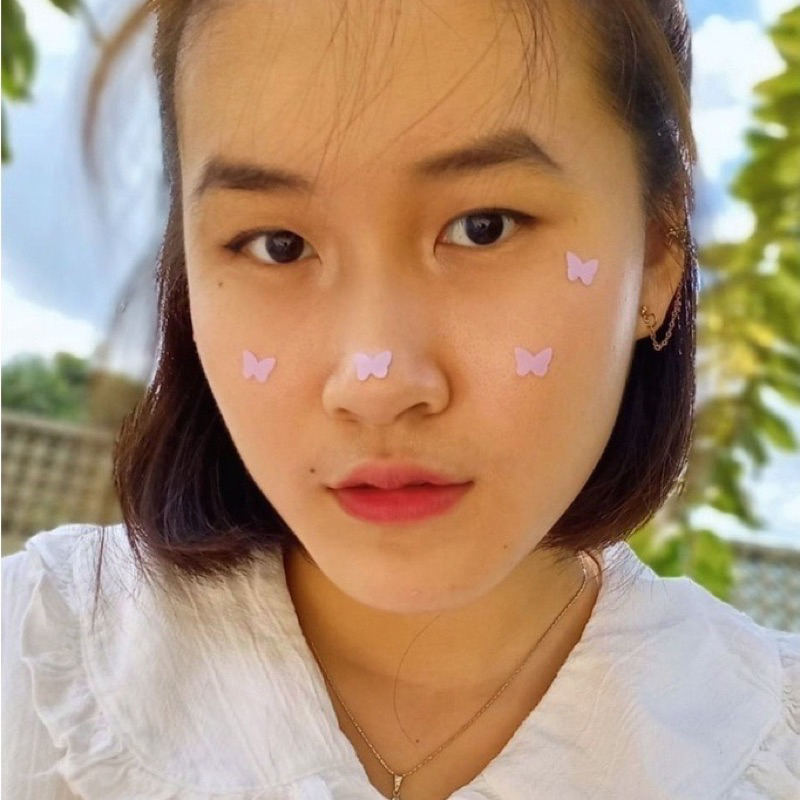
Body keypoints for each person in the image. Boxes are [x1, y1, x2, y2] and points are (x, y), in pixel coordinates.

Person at [2, 0, 798, 798]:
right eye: (278, 244)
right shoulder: (37, 661)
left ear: (658, 252)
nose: (375, 383)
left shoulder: (763, 749)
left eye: (484, 226)